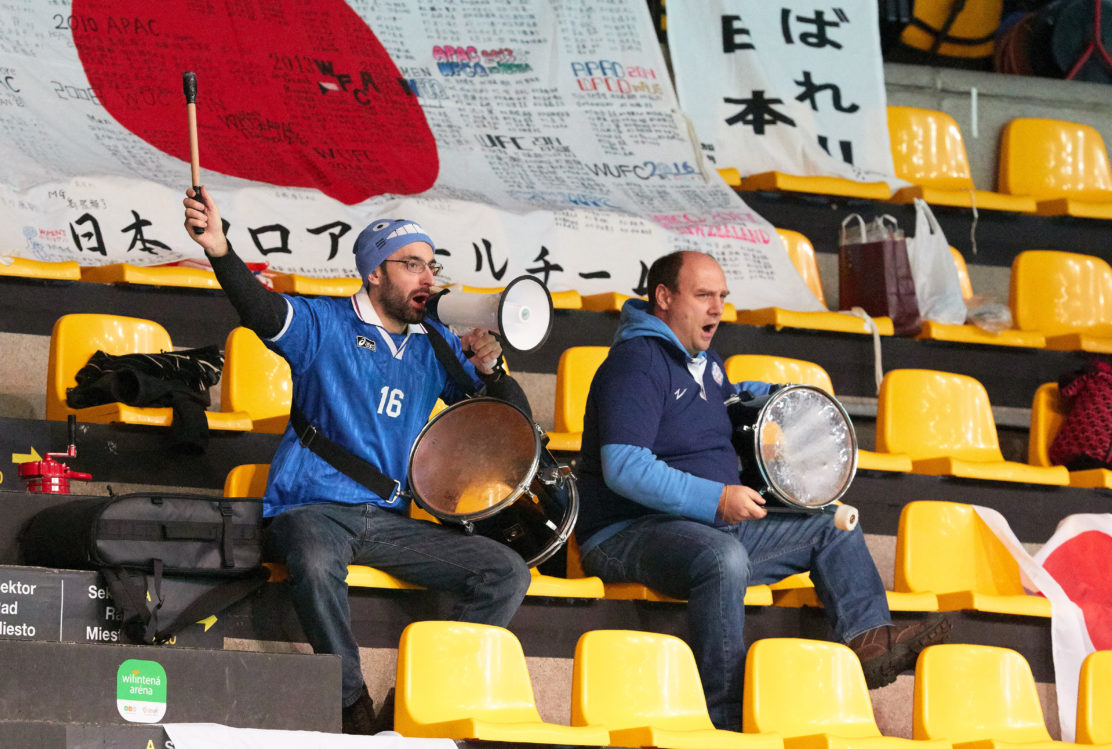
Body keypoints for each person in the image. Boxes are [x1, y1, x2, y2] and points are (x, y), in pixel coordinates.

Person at [183, 188, 532, 735]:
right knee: (316, 558)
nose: (427, 277)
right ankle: (351, 703)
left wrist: (493, 371)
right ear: (374, 272)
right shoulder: (325, 324)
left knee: (505, 572)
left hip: (391, 520)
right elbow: (263, 309)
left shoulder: (435, 342)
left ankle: (421, 702)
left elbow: (511, 430)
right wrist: (220, 250)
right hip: (313, 505)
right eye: (412, 264)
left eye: (431, 265)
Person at [575, 250, 951, 731]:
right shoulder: (636, 363)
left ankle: (870, 641)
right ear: (664, 298)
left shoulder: (705, 363)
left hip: (704, 527)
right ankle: (725, 716)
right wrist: (715, 498)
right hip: (626, 534)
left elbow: (726, 402)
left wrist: (776, 397)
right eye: (704, 295)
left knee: (829, 525)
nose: (717, 308)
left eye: (723, 297)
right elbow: (624, 467)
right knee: (722, 558)